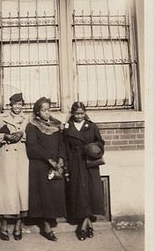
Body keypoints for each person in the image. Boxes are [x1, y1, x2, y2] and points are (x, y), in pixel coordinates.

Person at [0, 93, 28, 241]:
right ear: (10, 105)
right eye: (15, 104)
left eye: (20, 104)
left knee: (20, 192)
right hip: (6, 159)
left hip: (22, 159)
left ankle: (18, 226)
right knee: (6, 192)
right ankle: (3, 227)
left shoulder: (27, 119)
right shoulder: (0, 118)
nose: (18, 107)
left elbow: (35, 135)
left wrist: (22, 134)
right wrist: (4, 137)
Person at [25, 97, 67, 241]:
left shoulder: (55, 125)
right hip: (40, 165)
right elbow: (33, 146)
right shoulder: (32, 126)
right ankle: (46, 227)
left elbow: (62, 143)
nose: (47, 113)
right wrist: (49, 160)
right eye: (44, 110)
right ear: (37, 112)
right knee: (44, 196)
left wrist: (60, 159)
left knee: (54, 194)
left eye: (49, 109)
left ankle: (50, 220)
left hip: (55, 164)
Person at [64, 101, 105, 241]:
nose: (79, 116)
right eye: (77, 113)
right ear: (72, 113)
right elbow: (65, 148)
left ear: (85, 113)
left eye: (82, 113)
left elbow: (100, 142)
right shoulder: (68, 127)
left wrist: (95, 149)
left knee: (91, 191)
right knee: (79, 193)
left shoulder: (92, 126)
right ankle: (86, 225)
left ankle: (83, 226)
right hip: (75, 162)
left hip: (90, 162)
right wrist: (67, 169)